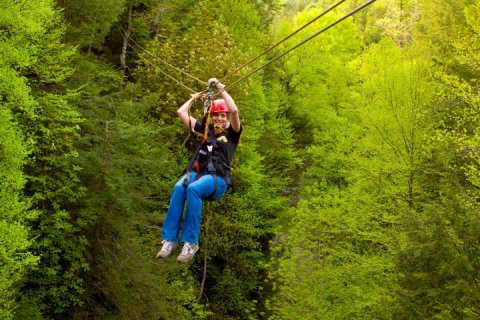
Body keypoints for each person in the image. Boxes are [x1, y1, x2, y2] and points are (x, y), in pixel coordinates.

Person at [156, 79, 242, 262]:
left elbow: (234, 111)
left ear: (227, 118)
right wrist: (195, 98)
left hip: (217, 180)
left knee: (193, 189)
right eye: (217, 115)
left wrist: (221, 89)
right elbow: (181, 112)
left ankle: (190, 243)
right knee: (179, 187)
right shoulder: (204, 130)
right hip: (199, 174)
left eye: (223, 116)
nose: (220, 118)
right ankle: (169, 240)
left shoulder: (232, 134)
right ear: (211, 116)